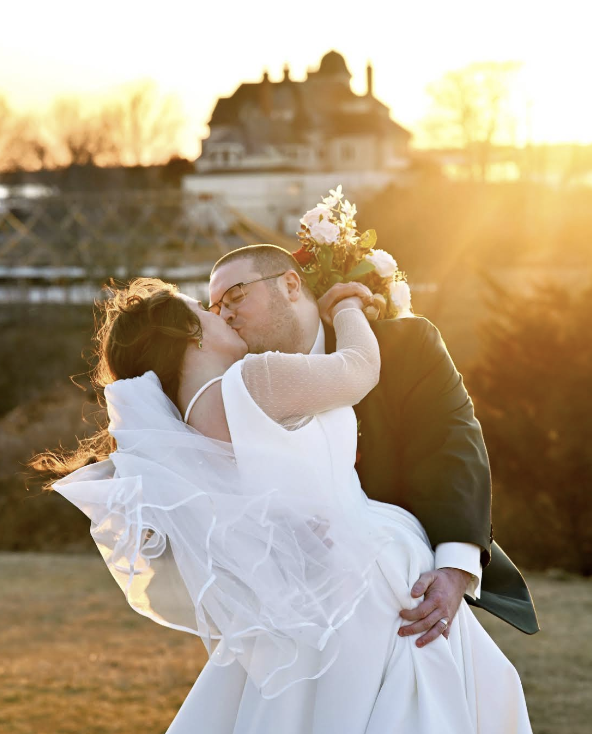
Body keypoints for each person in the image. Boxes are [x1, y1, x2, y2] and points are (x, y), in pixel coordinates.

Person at [40, 276, 533, 733]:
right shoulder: (252, 380)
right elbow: (360, 369)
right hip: (370, 574)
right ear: (193, 334)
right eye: (207, 312)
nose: (222, 316)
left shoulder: (187, 426)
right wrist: (348, 305)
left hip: (306, 598)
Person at [208, 245, 539, 644]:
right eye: (215, 308)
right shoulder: (236, 387)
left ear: (291, 285)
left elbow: (453, 449)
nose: (225, 315)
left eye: (235, 296)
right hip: (302, 616)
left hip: (409, 593)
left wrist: (454, 569)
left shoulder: (406, 346)